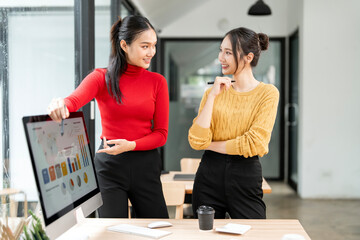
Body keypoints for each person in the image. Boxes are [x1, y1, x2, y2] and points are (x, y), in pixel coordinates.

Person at [47, 15, 169, 218]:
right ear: (124, 45)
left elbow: (161, 134)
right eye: (145, 46)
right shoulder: (101, 78)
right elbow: (73, 101)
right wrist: (59, 104)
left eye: (153, 46)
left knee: (157, 227)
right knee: (111, 232)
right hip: (109, 166)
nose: (151, 53)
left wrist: (131, 145)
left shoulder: (158, 82)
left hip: (146, 165)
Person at [188, 27, 279, 219]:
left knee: (253, 233)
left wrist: (210, 145)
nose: (221, 57)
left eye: (228, 52)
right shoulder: (212, 92)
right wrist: (213, 96)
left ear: (248, 57)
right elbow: (196, 140)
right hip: (208, 176)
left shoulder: (268, 93)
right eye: (221, 51)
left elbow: (254, 143)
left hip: (245, 176)